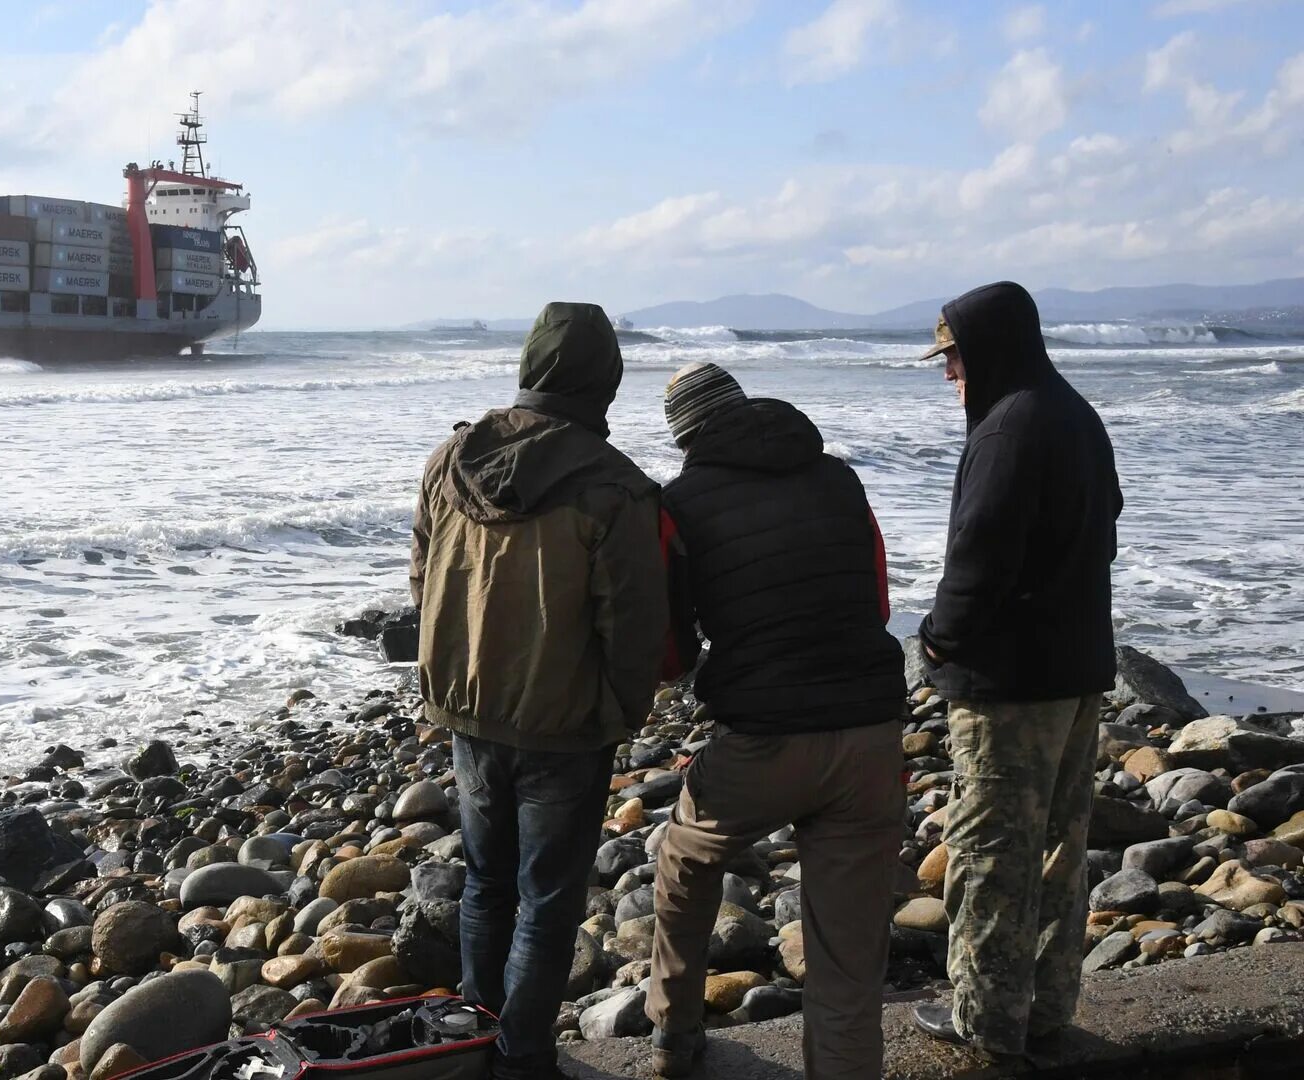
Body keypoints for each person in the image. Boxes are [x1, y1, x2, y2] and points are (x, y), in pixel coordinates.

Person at [410, 301, 668, 1080]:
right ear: (606, 381)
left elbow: (422, 578)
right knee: (547, 899)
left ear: (530, 365)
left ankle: (470, 1038)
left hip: (467, 707)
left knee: (487, 884)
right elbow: (630, 622)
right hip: (564, 723)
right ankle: (522, 1056)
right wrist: (626, 709)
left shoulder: (452, 458)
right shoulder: (615, 487)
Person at [646, 361, 904, 1079]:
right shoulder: (840, 479)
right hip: (870, 735)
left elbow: (671, 652)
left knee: (685, 862)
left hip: (764, 741)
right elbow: (878, 601)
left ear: (686, 435)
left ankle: (675, 1034)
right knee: (848, 959)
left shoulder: (681, 503)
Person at [908, 281, 1123, 1058]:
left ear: (989, 348)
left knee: (992, 850)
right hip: (1076, 669)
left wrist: (936, 640)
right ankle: (1045, 1009)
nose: (948, 373)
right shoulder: (1073, 414)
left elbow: (978, 558)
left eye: (954, 356)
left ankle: (987, 1020)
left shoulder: (1007, 429)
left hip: (1011, 685)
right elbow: (1109, 526)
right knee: (1062, 851)